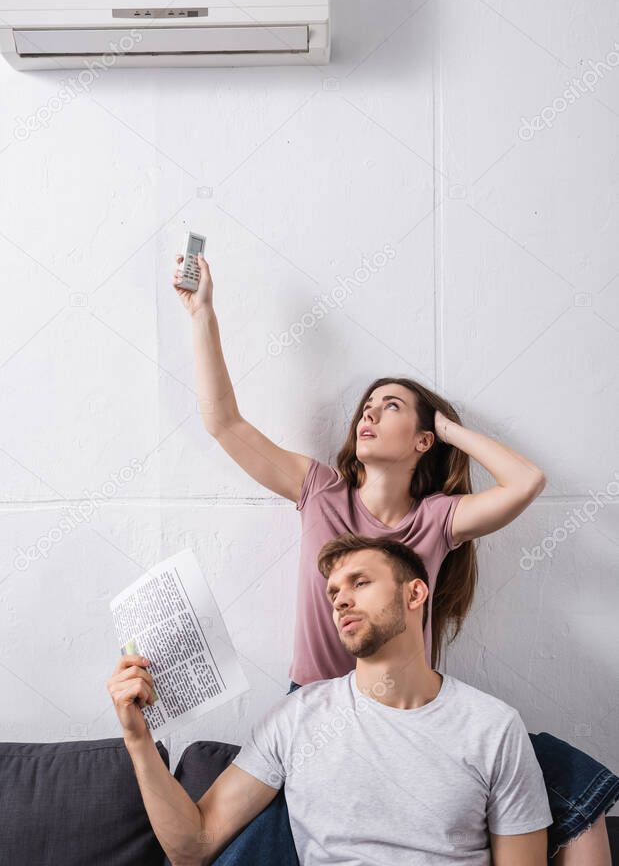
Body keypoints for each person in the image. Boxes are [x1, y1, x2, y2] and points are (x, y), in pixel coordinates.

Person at [167, 250, 619, 864]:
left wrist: (451, 430)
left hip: (415, 713)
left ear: (423, 439)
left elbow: (526, 482)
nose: (370, 414)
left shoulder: (436, 518)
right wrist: (202, 315)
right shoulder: (321, 491)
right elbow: (223, 422)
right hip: (320, 715)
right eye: (367, 408)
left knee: (579, 792)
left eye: (392, 407)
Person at [108, 534, 555, 865]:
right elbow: (193, 846)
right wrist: (138, 740)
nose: (340, 601)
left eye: (359, 583)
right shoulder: (297, 717)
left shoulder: (493, 726)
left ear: (414, 593)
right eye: (334, 593)